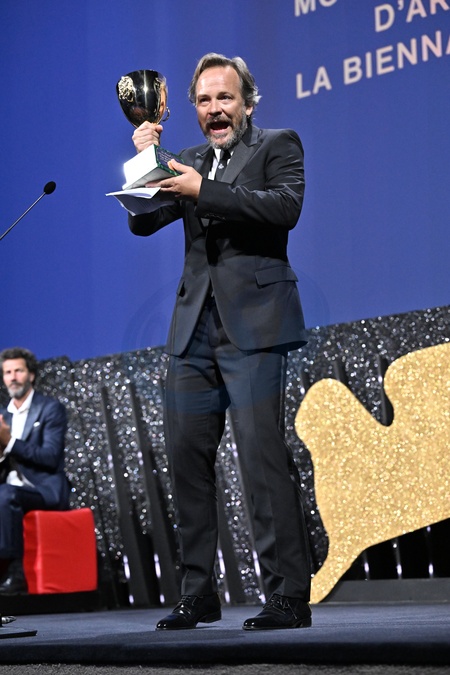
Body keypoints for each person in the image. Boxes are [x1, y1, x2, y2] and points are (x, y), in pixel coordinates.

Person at [129, 53, 312, 630]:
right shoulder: (184, 160)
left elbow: (285, 208)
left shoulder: (278, 144)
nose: (214, 109)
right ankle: (198, 593)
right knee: (187, 461)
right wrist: (146, 158)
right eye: (205, 100)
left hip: (254, 325)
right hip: (192, 330)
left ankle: (288, 596)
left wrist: (202, 190)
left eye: (225, 98)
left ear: (247, 103)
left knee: (261, 458)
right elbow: (141, 221)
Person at [0, 347, 70, 595]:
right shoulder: (3, 416)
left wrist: (9, 442)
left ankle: (14, 572)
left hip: (43, 490)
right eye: (7, 372)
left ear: (31, 375)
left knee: (5, 494)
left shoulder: (50, 409)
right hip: (9, 487)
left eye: (18, 371)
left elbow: (50, 457)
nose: (13, 377)